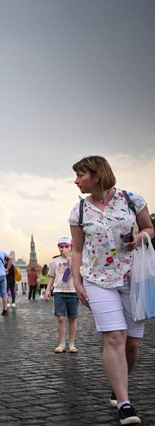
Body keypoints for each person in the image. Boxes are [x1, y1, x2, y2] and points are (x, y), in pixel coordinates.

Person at [69, 155, 153, 425]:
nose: (76, 181)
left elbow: (150, 228)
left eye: (80, 175)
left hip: (134, 278)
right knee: (115, 337)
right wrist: (78, 281)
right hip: (97, 279)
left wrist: (140, 237)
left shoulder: (132, 200)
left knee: (132, 344)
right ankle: (124, 402)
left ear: (96, 174)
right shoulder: (79, 211)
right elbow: (77, 250)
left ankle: (118, 385)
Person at [44, 237, 79, 353]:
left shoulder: (76, 259)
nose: (63, 249)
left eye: (66, 246)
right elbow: (52, 276)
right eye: (61, 246)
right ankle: (62, 343)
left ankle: (72, 344)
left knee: (72, 318)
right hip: (59, 292)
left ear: (71, 247)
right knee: (60, 318)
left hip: (73, 291)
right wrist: (48, 289)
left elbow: (77, 271)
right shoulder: (55, 261)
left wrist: (69, 257)